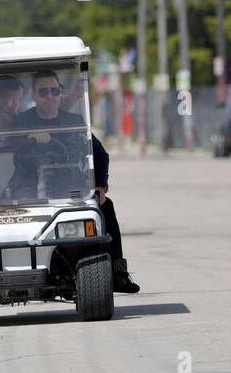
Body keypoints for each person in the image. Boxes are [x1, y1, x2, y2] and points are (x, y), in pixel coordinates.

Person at [9, 70, 139, 293]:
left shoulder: (75, 121)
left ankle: (118, 273)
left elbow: (99, 154)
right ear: (34, 95)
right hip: (27, 192)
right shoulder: (21, 122)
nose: (49, 96)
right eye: (43, 92)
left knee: (106, 208)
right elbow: (5, 153)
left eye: (54, 91)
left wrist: (100, 186)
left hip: (69, 192)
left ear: (61, 94)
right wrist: (29, 138)